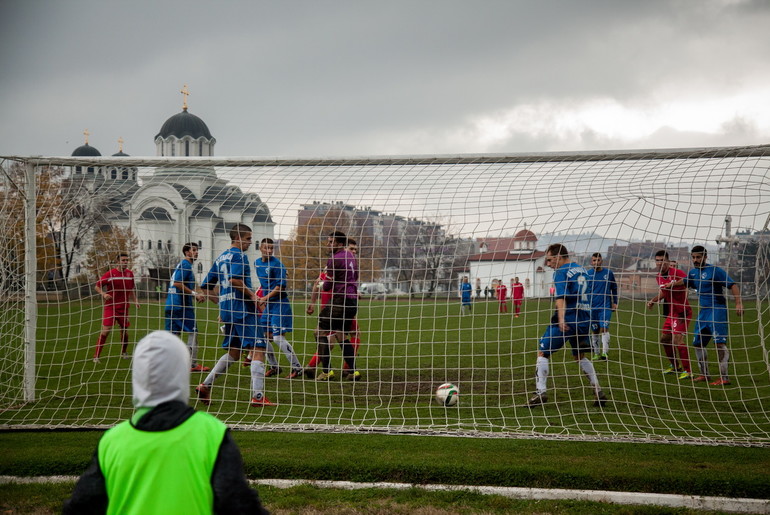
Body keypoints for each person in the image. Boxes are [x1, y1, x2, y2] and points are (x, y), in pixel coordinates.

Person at [63, 331, 268, 514]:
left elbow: (80, 506)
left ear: (138, 376)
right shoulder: (211, 433)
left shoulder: (112, 441)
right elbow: (238, 505)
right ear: (181, 372)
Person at [196, 223, 276, 407]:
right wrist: (253, 296)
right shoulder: (239, 255)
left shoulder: (221, 257)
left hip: (228, 310)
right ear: (238, 238)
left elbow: (206, 287)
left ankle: (205, 385)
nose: (250, 243)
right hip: (243, 309)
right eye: (248, 239)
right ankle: (257, 397)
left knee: (234, 352)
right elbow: (234, 280)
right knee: (258, 349)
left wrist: (221, 303)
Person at [524, 244, 607, 408]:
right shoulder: (582, 270)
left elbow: (561, 297)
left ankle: (540, 392)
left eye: (549, 260)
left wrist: (561, 319)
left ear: (558, 257)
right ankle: (598, 390)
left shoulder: (560, 272)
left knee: (543, 352)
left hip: (567, 319)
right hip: (584, 319)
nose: (548, 264)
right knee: (579, 356)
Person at [663, 245, 743, 385]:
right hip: (703, 312)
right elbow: (686, 281)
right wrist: (672, 285)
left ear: (705, 257)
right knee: (697, 343)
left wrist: (738, 303)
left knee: (719, 343)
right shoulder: (694, 273)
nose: (695, 260)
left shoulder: (715, 271)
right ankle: (704, 374)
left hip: (717, 310)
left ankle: (724, 378)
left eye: (698, 257)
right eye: (693, 257)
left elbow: (732, 285)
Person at [305, 239, 362, 377]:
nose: (354, 252)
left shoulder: (346, 262)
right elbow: (320, 283)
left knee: (334, 335)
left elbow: (324, 283)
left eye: (356, 250)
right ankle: (347, 370)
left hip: (340, 303)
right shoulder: (339, 263)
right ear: (344, 247)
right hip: (338, 305)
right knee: (335, 336)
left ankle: (328, 370)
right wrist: (315, 299)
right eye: (352, 249)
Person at [255, 238, 303, 379]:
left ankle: (297, 367)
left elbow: (280, 287)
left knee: (277, 338)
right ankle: (274, 366)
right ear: (260, 248)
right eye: (266, 248)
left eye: (271, 248)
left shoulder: (278, 265)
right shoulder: (256, 263)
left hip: (280, 304)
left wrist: (264, 298)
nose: (269, 250)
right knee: (262, 337)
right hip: (269, 305)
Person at [646, 250, 692, 379]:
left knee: (677, 340)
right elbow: (664, 291)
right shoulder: (658, 276)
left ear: (667, 261)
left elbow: (689, 280)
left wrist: (674, 284)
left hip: (682, 311)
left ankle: (688, 371)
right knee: (664, 339)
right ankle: (675, 366)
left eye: (662, 260)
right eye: (657, 260)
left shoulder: (676, 273)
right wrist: (653, 301)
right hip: (672, 312)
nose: (660, 263)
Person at [165, 242, 210, 372]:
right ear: (186, 252)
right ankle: (192, 364)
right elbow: (178, 283)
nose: (196, 252)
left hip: (170, 305)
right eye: (194, 250)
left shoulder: (182, 265)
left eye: (197, 250)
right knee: (193, 332)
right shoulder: (185, 264)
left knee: (173, 336)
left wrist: (197, 292)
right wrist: (195, 294)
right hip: (181, 306)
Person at [93, 252, 139, 363]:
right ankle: (96, 356)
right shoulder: (110, 274)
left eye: (127, 260)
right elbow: (97, 286)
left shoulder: (130, 274)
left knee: (124, 330)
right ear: (117, 261)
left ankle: (124, 352)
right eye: (123, 260)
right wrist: (104, 294)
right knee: (106, 330)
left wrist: (136, 301)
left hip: (124, 307)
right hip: (111, 306)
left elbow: (131, 289)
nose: (125, 262)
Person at [587, 253, 618, 361]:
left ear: (602, 261)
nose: (596, 262)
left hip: (605, 306)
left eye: (598, 260)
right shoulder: (588, 274)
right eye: (594, 260)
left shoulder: (608, 273)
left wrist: (615, 302)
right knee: (595, 330)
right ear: (591, 261)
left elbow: (614, 288)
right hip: (592, 308)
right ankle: (596, 353)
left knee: (604, 328)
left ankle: (605, 353)